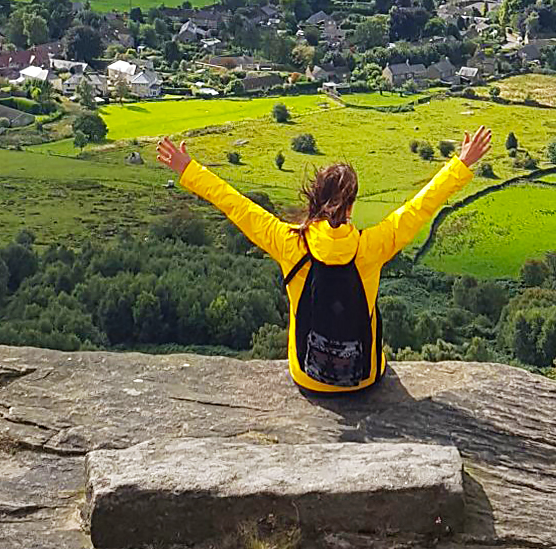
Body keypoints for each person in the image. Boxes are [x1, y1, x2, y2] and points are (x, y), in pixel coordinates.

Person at [156, 125, 493, 394]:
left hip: (307, 376)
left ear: (314, 199)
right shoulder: (372, 245)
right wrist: (460, 164)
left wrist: (189, 169)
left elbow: (236, 205)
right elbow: (421, 206)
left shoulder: (288, 242)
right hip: (365, 378)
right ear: (351, 206)